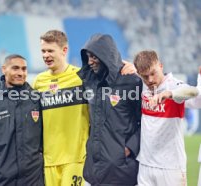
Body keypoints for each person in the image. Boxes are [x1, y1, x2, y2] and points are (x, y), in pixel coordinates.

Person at [77, 34, 142, 186]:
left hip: (121, 170)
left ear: (106, 55)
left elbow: (146, 119)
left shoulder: (131, 82)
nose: (90, 61)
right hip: (94, 171)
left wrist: (130, 148)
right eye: (88, 57)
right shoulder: (89, 81)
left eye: (94, 56)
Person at [0, 54, 44, 186]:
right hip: (1, 180)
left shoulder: (35, 99)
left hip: (33, 179)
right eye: (15, 68)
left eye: (24, 69)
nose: (20, 73)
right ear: (4, 69)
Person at [133, 50, 201, 186]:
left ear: (161, 66)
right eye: (145, 77)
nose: (150, 80)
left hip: (171, 167)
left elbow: (195, 93)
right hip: (145, 165)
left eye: (153, 73)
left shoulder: (174, 85)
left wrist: (169, 94)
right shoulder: (142, 87)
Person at [33, 30, 90, 186]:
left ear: (64, 50)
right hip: (49, 159)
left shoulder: (81, 77)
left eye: (50, 51)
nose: (46, 55)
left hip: (76, 158)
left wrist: (129, 67)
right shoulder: (38, 82)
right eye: (43, 51)